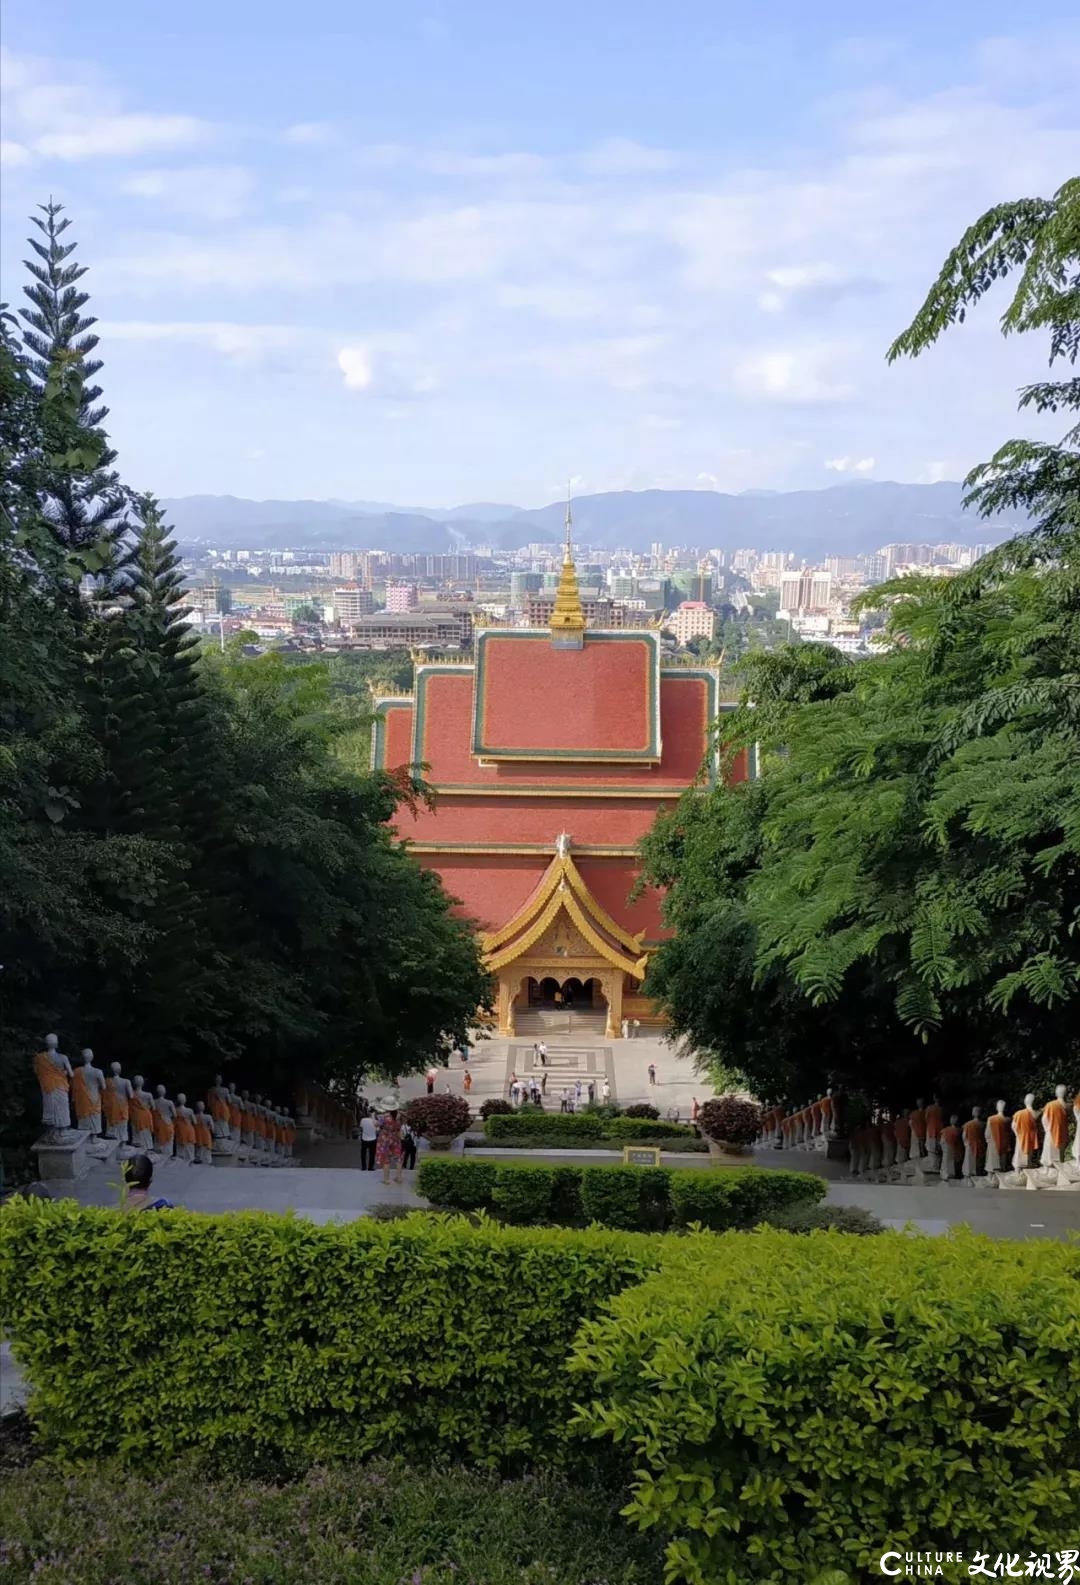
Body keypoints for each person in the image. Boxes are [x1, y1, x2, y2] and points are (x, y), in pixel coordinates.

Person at [376, 1107, 404, 1185]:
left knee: (386, 1159)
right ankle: (399, 1178)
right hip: (396, 1139)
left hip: (385, 1140)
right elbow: (399, 1128)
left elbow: (376, 1125)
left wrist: (372, 1116)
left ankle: (386, 1180)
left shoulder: (384, 1117)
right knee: (398, 1158)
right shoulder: (399, 1117)